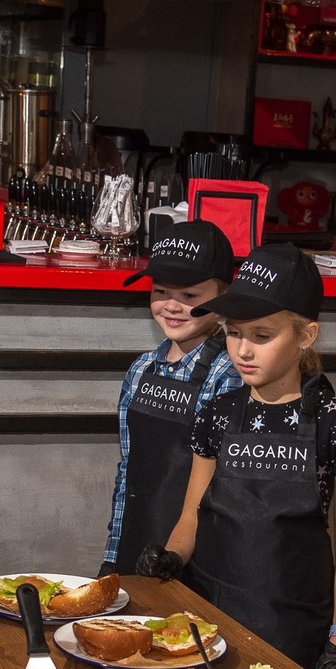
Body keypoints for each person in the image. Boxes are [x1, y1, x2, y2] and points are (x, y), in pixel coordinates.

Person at [135, 244, 336, 669]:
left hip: (295, 626)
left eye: (262, 336)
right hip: (210, 618)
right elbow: (192, 515)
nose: (243, 351)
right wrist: (170, 558)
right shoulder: (218, 413)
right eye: (234, 333)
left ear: (306, 336)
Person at [102, 220, 242, 574]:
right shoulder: (140, 370)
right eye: (161, 291)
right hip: (135, 546)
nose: (172, 306)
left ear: (224, 298)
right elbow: (128, 472)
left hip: (200, 563)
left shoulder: (229, 375)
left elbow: (227, 491)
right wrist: (112, 556)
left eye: (190, 296)